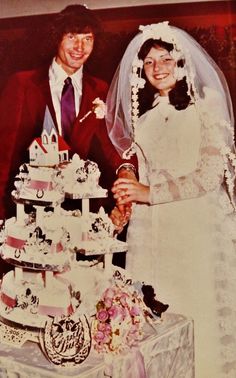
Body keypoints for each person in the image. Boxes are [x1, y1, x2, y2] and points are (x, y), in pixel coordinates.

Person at [107, 22, 236, 378]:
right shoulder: (144, 120)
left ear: (181, 61)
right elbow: (142, 177)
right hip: (151, 236)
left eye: (165, 58)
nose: (158, 67)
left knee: (195, 312)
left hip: (193, 231)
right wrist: (126, 201)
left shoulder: (206, 108)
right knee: (154, 322)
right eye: (149, 62)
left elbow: (210, 176)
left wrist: (149, 193)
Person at [0, 5, 136, 273]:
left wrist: (127, 170)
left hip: (80, 217)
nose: (80, 46)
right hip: (30, 212)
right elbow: (4, 153)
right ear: (57, 38)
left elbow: (114, 143)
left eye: (88, 39)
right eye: (72, 36)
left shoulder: (100, 88)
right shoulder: (23, 83)